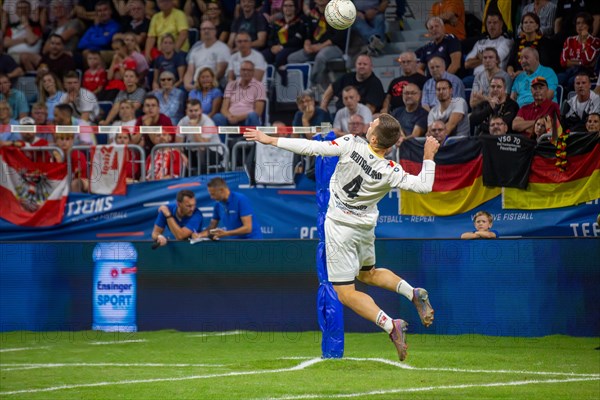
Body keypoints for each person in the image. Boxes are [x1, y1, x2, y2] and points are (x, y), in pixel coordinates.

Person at [243, 114, 439, 361]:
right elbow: (425, 185)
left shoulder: (351, 143)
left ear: (375, 137)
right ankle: (413, 292)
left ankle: (391, 325)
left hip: (340, 228)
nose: (369, 125)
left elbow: (312, 147)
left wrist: (270, 140)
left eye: (373, 124)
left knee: (345, 293)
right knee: (368, 273)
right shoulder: (391, 170)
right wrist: (428, 156)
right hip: (365, 227)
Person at [194, 177, 263, 240]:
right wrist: (199, 235)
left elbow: (248, 228)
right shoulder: (218, 205)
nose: (211, 197)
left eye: (213, 194)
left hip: (252, 242)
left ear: (221, 190)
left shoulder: (240, 199)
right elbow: (212, 227)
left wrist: (226, 233)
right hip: (235, 243)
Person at [321, 54, 385, 114]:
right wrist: (323, 106)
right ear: (355, 65)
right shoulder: (346, 77)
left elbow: (370, 109)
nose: (362, 66)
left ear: (371, 67)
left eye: (365, 64)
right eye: (359, 64)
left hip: (359, 119)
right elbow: (331, 88)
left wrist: (353, 119)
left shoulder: (375, 84)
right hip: (339, 114)